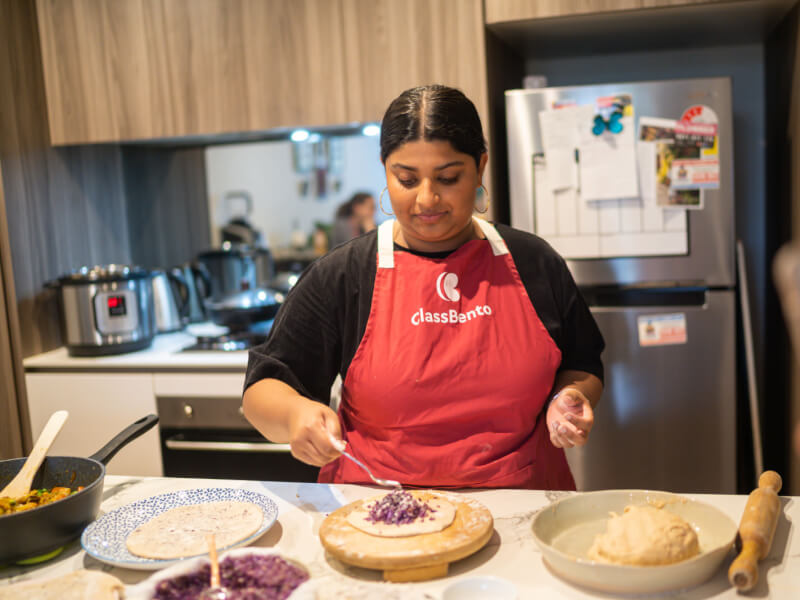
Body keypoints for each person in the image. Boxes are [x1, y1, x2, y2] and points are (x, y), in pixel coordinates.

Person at [243, 84, 604, 490]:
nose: (427, 199)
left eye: (449, 178)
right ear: (385, 171)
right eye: (407, 179)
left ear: (480, 167)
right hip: (378, 516)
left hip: (522, 503)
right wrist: (295, 415)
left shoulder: (534, 262)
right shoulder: (343, 275)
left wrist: (569, 399)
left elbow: (584, 364)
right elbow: (262, 390)